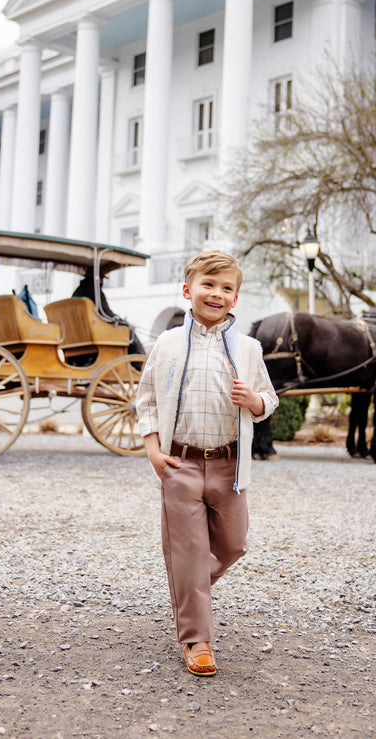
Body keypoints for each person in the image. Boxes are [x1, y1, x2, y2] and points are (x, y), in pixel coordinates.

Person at [136, 250, 278, 676]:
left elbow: (268, 399)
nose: (216, 294)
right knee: (190, 549)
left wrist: (253, 401)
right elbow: (144, 399)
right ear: (188, 291)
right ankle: (198, 639)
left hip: (229, 467)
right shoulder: (169, 344)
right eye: (208, 285)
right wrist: (153, 451)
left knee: (234, 544)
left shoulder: (249, 350)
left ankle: (188, 583)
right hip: (179, 464)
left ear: (235, 298)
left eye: (226, 288)